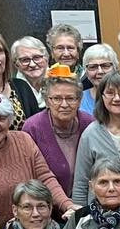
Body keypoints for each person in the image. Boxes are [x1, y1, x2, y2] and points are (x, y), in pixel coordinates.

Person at [0, 78, 74, 227]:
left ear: (10, 120)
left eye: (2, 118)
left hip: (35, 228)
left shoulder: (24, 140)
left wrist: (67, 205)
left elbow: (45, 178)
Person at [71, 71, 120, 203]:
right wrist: (80, 216)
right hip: (99, 215)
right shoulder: (90, 134)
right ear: (102, 97)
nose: (117, 98)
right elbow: (81, 183)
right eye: (110, 93)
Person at [22, 64, 91, 195]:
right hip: (44, 205)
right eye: (57, 98)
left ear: (79, 100)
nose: (64, 104)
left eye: (70, 98)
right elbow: (27, 176)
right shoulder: (32, 128)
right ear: (47, 101)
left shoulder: (89, 124)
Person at [10, 36, 49, 108]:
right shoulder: (13, 90)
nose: (32, 64)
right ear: (16, 65)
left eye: (37, 57)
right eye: (25, 60)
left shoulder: (58, 80)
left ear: (46, 58)